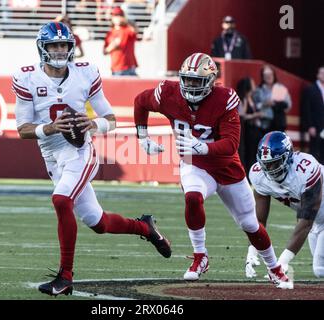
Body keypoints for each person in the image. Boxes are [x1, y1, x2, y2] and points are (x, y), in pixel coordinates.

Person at [13, 22, 171, 297]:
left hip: (80, 151)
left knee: (61, 200)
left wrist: (92, 125)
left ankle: (65, 276)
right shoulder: (27, 78)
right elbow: (23, 130)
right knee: (98, 223)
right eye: (54, 45)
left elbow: (110, 120)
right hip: (52, 156)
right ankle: (145, 227)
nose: (60, 50)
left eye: (64, 45)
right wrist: (49, 128)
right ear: (43, 48)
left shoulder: (85, 73)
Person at [134, 52, 292, 289]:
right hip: (194, 165)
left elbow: (230, 145)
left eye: (197, 81)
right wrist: (142, 136)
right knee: (193, 197)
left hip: (226, 168)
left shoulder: (224, 98)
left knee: (250, 224)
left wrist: (202, 146)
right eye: (187, 80)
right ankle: (200, 256)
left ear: (210, 81)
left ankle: (274, 268)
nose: (191, 85)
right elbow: (140, 101)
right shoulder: (168, 92)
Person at [246, 131, 324, 279]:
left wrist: (281, 263)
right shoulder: (258, 175)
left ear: (288, 157)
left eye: (274, 163)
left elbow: (306, 220)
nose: (270, 169)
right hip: (317, 221)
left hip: (314, 218)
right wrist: (252, 250)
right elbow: (259, 220)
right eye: (266, 164)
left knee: (319, 269)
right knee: (320, 270)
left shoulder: (306, 170)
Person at [253, 65, 292, 134]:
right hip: (264, 124)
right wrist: (264, 104)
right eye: (266, 74)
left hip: (279, 123)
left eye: (270, 74)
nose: (269, 76)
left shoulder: (281, 88)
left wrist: (277, 105)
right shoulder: (258, 90)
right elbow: (254, 106)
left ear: (274, 75)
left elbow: (288, 105)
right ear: (262, 76)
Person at [236, 77, 263, 175]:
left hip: (254, 129)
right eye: (252, 83)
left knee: (253, 154)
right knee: (246, 153)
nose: (254, 85)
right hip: (246, 130)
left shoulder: (252, 98)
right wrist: (255, 115)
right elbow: (241, 115)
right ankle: (246, 175)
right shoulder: (242, 98)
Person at [103, 6, 138, 76]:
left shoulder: (127, 30)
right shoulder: (110, 33)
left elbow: (135, 30)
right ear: (112, 17)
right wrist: (112, 46)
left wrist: (126, 20)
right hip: (117, 69)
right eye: (116, 15)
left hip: (130, 68)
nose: (118, 17)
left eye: (120, 15)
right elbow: (104, 51)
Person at [301, 66, 324, 164]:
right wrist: (310, 126)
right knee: (315, 151)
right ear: (318, 75)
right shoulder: (310, 89)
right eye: (322, 73)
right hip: (315, 126)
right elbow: (306, 109)